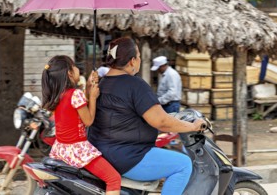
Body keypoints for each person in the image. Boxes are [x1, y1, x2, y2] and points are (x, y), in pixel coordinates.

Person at [88, 37, 206, 195]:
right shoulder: (135, 85)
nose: (139, 59)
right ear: (132, 61)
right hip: (127, 157)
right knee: (183, 164)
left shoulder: (100, 84)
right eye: (138, 56)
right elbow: (162, 122)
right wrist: (193, 126)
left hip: (101, 153)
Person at [41, 55, 121, 195]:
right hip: (78, 150)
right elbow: (88, 121)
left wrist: (89, 86)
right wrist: (93, 98)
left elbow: (75, 109)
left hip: (61, 149)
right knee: (113, 179)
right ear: (69, 73)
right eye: (75, 66)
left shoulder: (58, 95)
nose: (78, 68)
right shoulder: (75, 94)